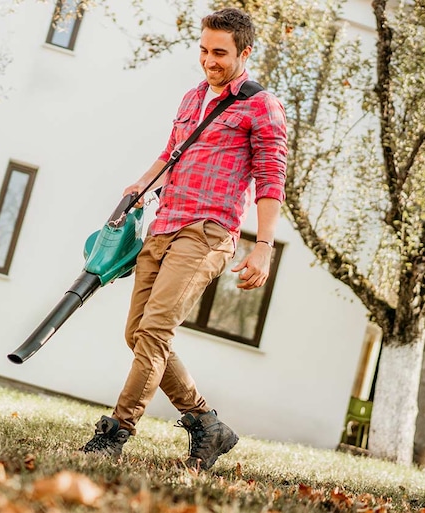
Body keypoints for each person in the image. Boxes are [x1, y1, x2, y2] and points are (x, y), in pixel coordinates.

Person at [80, 8, 287, 471]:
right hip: (164, 223)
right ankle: (206, 424)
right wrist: (139, 187)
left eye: (220, 53)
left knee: (155, 332)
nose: (209, 60)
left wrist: (264, 246)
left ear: (244, 52)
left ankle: (115, 434)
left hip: (209, 232)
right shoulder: (193, 97)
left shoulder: (261, 105)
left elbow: (271, 180)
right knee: (136, 333)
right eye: (203, 50)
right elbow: (170, 155)